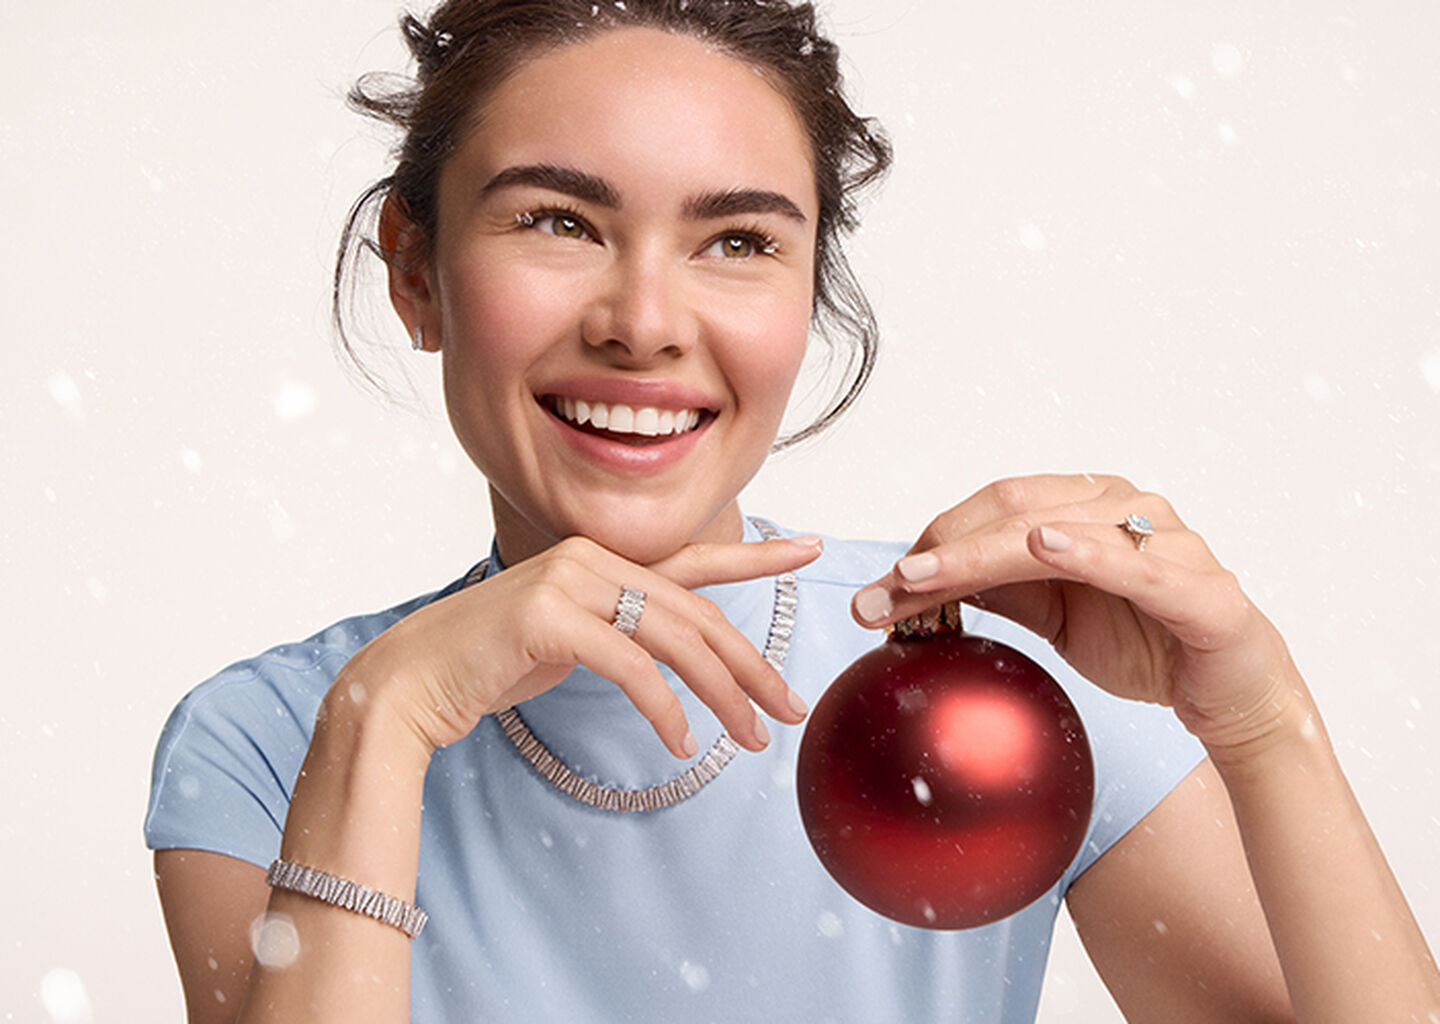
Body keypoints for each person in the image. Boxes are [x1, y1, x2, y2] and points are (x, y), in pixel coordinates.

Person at [144, 1, 1440, 1021]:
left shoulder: (992, 678)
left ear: (810, 297)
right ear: (417, 275)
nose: (644, 323)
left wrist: (1260, 719)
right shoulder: (270, 740)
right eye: (559, 220)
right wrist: (382, 727)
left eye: (738, 242)